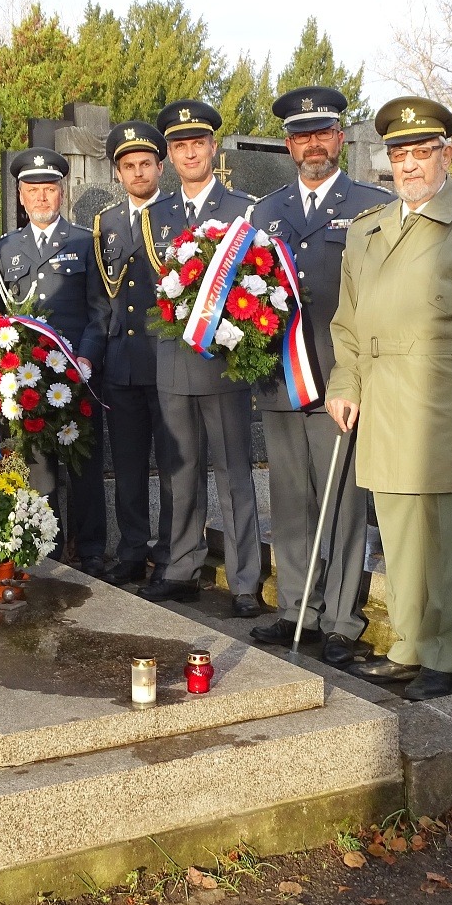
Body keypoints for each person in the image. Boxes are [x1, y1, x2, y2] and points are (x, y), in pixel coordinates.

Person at [325, 96, 452, 700]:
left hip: (445, 409)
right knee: (400, 534)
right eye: (399, 154)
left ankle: (444, 653)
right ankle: (408, 645)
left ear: (446, 154)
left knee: (443, 542)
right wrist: (345, 383)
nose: (409, 166)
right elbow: (348, 321)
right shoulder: (367, 232)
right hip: (386, 407)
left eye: (421, 152)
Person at [246, 87, 388, 666]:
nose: (313, 144)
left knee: (345, 506)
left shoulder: (373, 207)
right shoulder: (266, 212)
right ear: (288, 145)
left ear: (339, 139)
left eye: (323, 133)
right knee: (290, 504)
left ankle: (340, 618)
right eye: (302, 136)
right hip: (280, 380)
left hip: (340, 381)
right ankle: (296, 609)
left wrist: (357, 378)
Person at [139, 100, 263, 615]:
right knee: (178, 470)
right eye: (180, 146)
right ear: (170, 155)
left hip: (224, 362)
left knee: (235, 473)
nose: (191, 153)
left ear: (213, 147)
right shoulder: (155, 216)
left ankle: (245, 582)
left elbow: (259, 285)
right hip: (172, 363)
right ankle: (181, 567)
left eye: (199, 143)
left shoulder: (242, 211)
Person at [0, 147, 109, 573]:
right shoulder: (5, 249)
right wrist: (2, 343)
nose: (41, 198)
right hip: (28, 377)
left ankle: (88, 551)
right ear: (19, 195)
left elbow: (100, 309)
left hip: (77, 374)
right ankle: (46, 549)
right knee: (40, 470)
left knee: (84, 465)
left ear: (61, 193)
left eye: (49, 190)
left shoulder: (84, 242)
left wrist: (86, 359)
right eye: (32, 190)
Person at [92, 122, 175, 587]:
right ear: (118, 174)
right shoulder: (107, 221)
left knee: (170, 468)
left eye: (145, 164)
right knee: (126, 469)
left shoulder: (175, 214)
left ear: (159, 167)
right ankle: (130, 551)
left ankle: (167, 556)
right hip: (121, 363)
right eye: (128, 166)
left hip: (165, 361)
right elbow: (104, 298)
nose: (138, 172)